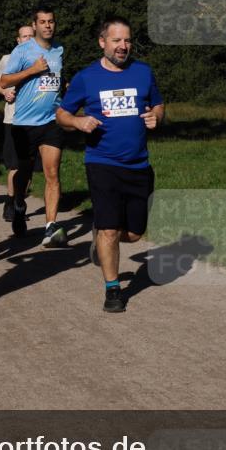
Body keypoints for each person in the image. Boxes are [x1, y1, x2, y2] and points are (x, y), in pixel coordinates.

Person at [57, 18, 164, 312]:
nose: (123, 46)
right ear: (102, 42)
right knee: (109, 230)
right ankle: (113, 289)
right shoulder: (86, 78)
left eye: (127, 40)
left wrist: (157, 116)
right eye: (116, 40)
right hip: (102, 162)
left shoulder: (143, 72)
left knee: (132, 234)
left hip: (138, 164)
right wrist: (78, 121)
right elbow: (62, 115)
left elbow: (158, 104)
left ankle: (103, 236)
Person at [0, 6, 66, 246]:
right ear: (35, 25)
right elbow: (4, 80)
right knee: (24, 173)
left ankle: (50, 226)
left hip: (51, 121)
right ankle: (18, 203)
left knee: (52, 173)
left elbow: (58, 79)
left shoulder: (59, 49)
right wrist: (33, 70)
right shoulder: (23, 50)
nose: (48, 25)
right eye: (43, 22)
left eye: (51, 21)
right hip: (24, 123)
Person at [0, 25, 34, 221]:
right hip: (13, 119)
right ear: (18, 40)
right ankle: (10, 204)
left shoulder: (43, 60)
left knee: (29, 167)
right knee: (15, 166)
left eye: (31, 36)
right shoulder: (8, 59)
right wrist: (4, 92)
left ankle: (20, 201)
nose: (27, 39)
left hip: (36, 120)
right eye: (24, 36)